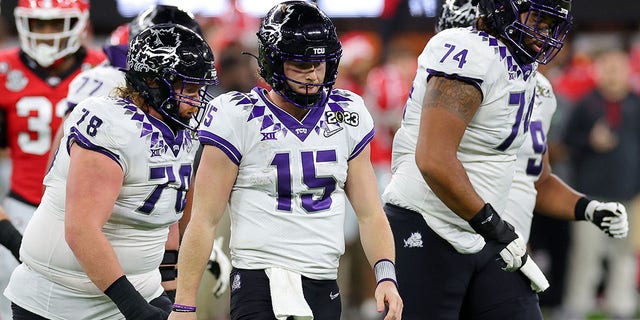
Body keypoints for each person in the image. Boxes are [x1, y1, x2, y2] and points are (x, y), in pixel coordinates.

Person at [170, 2, 402, 320]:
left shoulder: (347, 112)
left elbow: (370, 214)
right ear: (273, 61)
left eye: (318, 62)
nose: (312, 74)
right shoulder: (237, 114)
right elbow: (204, 220)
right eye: (300, 64)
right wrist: (184, 304)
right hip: (258, 279)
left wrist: (385, 274)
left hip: (322, 279)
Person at [3, 23, 218, 319]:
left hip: (142, 286)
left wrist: (177, 294)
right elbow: (81, 231)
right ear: (152, 81)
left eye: (200, 88)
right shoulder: (111, 124)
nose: (196, 100)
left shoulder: (180, 130)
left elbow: (172, 216)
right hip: (61, 299)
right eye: (188, 88)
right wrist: (136, 309)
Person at [381, 0, 573, 318]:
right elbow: (434, 159)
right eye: (539, 19)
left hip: (480, 226)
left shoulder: (520, 66)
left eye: (552, 24)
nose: (545, 32)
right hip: (430, 223)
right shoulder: (469, 52)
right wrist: (496, 228)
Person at [47, 4, 231, 303]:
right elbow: (61, 158)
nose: (195, 96)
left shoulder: (179, 111)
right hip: (91, 241)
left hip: (143, 244)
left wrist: (193, 250)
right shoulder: (107, 89)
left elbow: (177, 190)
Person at [0, 1, 105, 317]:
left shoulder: (104, 70)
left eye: (56, 24)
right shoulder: (4, 69)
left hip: (89, 214)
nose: (47, 34)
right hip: (22, 207)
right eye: (39, 24)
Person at [560, 47, 640, 320]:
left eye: (618, 67)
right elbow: (567, 144)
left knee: (624, 255)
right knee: (585, 255)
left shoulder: (637, 104)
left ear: (628, 70)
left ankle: (621, 307)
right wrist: (590, 141)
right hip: (590, 195)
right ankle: (577, 306)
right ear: (599, 70)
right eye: (607, 66)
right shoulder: (585, 104)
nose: (613, 72)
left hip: (629, 194)